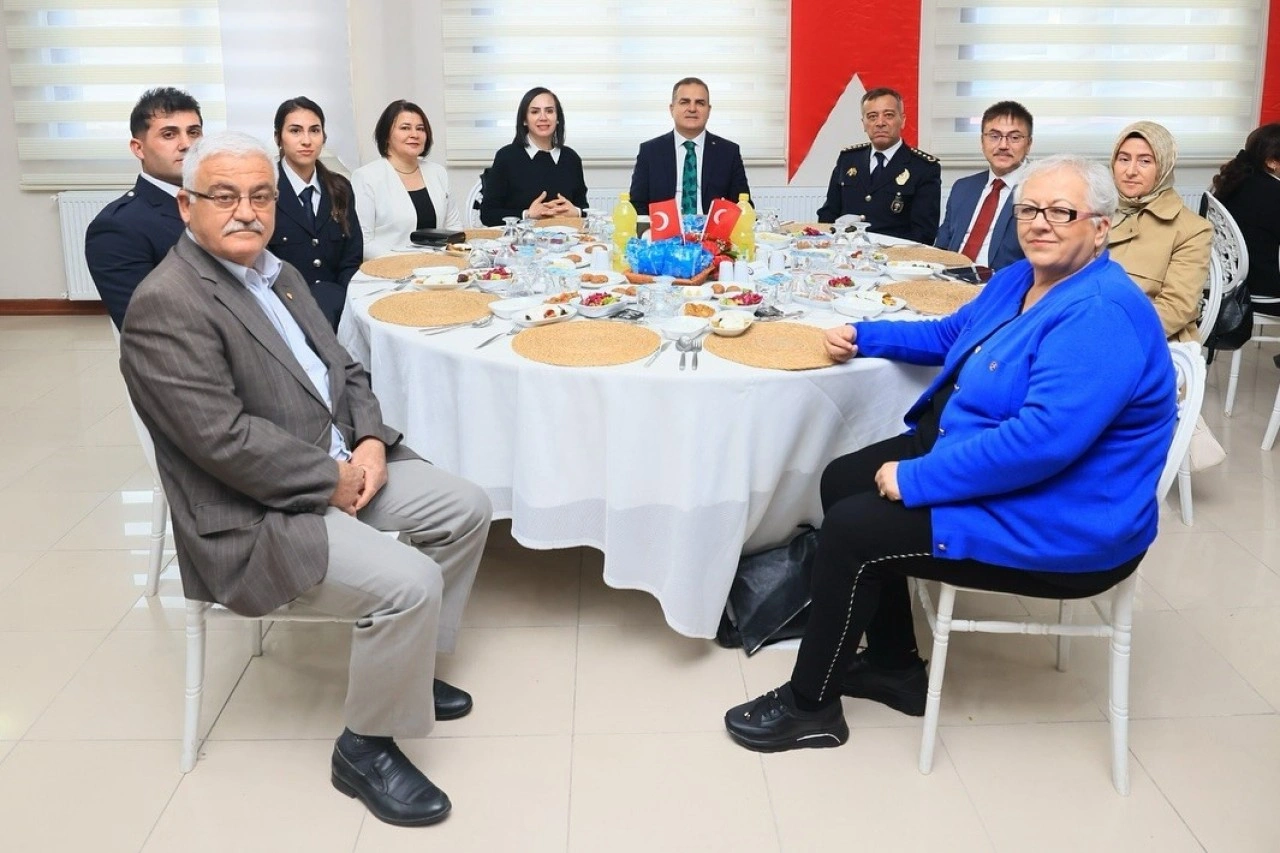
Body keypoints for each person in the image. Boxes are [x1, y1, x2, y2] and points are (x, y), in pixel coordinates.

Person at [723, 155, 1175, 753]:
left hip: (1064, 515)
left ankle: (811, 706)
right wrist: (865, 336)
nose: (1041, 223)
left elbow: (1040, 445)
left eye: (1062, 212)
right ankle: (893, 666)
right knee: (842, 479)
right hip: (987, 455)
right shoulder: (1023, 278)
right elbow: (950, 335)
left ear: (1100, 228)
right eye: (1029, 210)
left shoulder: (1101, 313)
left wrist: (919, 477)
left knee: (854, 531)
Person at [119, 132, 491, 827]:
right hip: (255, 510)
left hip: (341, 462)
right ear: (186, 207)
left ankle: (407, 671)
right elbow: (222, 441)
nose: (247, 211)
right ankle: (364, 748)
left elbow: (345, 368)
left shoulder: (278, 272)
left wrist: (371, 442)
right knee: (411, 581)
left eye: (260, 196)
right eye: (224, 196)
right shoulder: (168, 302)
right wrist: (331, 480)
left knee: (467, 507)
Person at [85, 87, 203, 329]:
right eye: (169, 135)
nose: (186, 144)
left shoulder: (221, 201)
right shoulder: (118, 226)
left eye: (194, 132)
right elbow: (146, 327)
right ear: (138, 148)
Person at [1107, 121, 1212, 342]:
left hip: (1148, 337)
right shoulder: (1094, 210)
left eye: (1145, 161)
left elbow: (1175, 308)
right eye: (1123, 159)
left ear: (1164, 166)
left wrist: (1109, 335)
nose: (1130, 171)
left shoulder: (1193, 230)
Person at [268, 96, 363, 331]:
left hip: (339, 308)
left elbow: (351, 260)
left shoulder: (340, 188)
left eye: (315, 130)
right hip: (285, 312)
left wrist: (343, 302)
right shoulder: (264, 191)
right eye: (295, 131)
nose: (306, 140)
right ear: (278, 138)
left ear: (324, 137)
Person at [817, 87, 941, 244]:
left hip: (895, 256)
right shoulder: (848, 160)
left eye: (889, 115)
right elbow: (828, 215)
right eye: (872, 116)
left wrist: (874, 248)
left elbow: (924, 234)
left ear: (902, 120)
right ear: (864, 123)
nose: (880, 123)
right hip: (846, 251)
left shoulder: (923, 168)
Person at [351, 100, 462, 259]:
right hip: (390, 267)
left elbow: (454, 228)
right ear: (386, 136)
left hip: (439, 267)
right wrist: (407, 263)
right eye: (405, 128)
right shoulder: (366, 177)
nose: (414, 134)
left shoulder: (438, 173)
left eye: (420, 128)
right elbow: (363, 242)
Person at [628, 77, 750, 217]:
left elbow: (744, 206)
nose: (692, 109)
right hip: (664, 229)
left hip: (713, 229)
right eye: (684, 102)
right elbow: (636, 206)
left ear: (709, 110)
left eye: (700, 103)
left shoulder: (728, 152)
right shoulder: (650, 152)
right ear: (672, 109)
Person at [934, 101, 1033, 270]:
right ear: (982, 141)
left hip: (1000, 282)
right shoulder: (963, 188)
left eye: (1015, 138)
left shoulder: (1040, 192)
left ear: (1028, 144)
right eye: (994, 136)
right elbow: (941, 247)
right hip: (948, 277)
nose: (1003, 146)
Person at [479, 87, 590, 226]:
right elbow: (487, 214)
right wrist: (527, 215)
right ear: (524, 120)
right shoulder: (506, 157)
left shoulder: (571, 158)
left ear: (558, 119)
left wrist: (576, 212)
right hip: (520, 237)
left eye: (549, 111)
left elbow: (584, 208)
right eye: (535, 112)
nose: (543, 117)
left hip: (565, 237)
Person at [1212, 123, 1280, 316]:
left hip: (1232, 286)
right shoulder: (1273, 193)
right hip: (1265, 294)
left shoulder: (1235, 180)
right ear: (1272, 161)